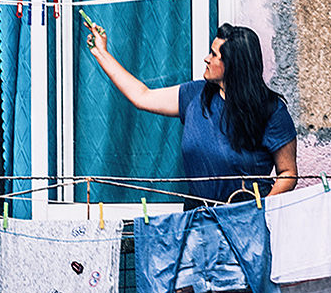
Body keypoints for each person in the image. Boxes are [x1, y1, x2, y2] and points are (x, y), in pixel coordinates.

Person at [85, 20, 297, 204]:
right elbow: (142, 96)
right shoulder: (195, 96)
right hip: (199, 221)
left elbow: (288, 173)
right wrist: (101, 53)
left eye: (214, 55)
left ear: (233, 65)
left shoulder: (272, 111)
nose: (206, 58)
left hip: (245, 225)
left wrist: (259, 211)